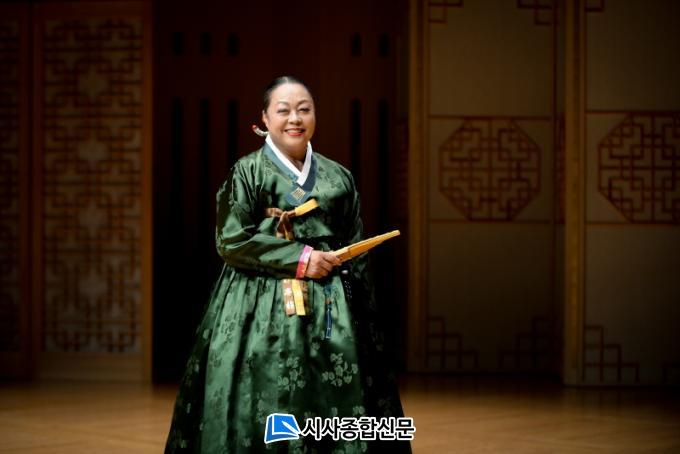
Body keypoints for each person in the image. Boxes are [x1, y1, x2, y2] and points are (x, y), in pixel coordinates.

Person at [165, 76, 411, 453]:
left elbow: (355, 250)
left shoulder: (338, 176)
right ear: (264, 119)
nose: (295, 118)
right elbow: (231, 240)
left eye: (304, 109)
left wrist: (364, 312)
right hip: (258, 302)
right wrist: (300, 258)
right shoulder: (247, 171)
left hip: (332, 306)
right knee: (258, 397)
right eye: (283, 110)